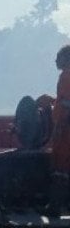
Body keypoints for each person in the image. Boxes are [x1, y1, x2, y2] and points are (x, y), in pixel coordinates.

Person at [43, 45, 70, 213]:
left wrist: (59, 128)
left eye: (58, 57)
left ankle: (54, 207)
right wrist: (53, 101)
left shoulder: (66, 76)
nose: (55, 60)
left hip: (66, 131)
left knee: (60, 169)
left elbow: (67, 105)